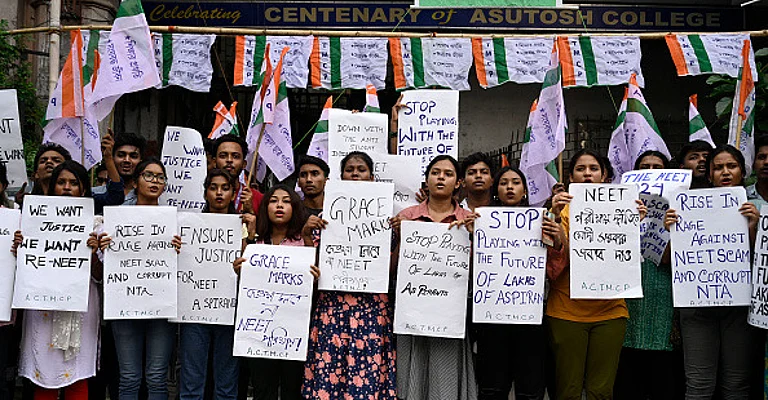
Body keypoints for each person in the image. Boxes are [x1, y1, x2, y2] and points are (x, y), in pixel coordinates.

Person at [664, 144, 763, 399]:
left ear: (743, 171)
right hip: (697, 308)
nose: (725, 172)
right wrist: (671, 229)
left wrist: (754, 227)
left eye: (731, 166)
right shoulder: (686, 207)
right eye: (718, 168)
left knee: (736, 385)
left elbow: (760, 260)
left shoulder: (755, 208)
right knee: (698, 385)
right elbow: (673, 257)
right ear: (709, 175)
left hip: (740, 308)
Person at [547, 149, 646, 400]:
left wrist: (637, 224)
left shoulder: (622, 208)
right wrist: (555, 216)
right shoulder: (561, 210)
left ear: (604, 176)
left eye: (594, 169)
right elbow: (556, 255)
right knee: (567, 390)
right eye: (581, 169)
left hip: (611, 311)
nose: (588, 174)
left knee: (601, 391)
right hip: (566, 311)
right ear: (571, 177)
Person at [302, 151, 397, 399]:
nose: (355, 174)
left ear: (372, 177)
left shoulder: (386, 218)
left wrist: (399, 235)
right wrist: (305, 235)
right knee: (329, 376)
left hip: (371, 311)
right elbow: (312, 267)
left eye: (361, 169)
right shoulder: (324, 219)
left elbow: (392, 267)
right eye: (350, 169)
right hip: (332, 310)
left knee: (365, 379)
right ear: (340, 175)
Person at [12, 160, 101, 400]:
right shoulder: (30, 222)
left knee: (77, 372)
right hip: (42, 306)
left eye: (74, 183)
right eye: (61, 182)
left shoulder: (97, 225)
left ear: (83, 189)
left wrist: (94, 254)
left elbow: (102, 277)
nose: (67, 187)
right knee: (44, 371)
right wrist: (18, 248)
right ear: (52, 187)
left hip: (81, 307)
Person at [475, 166, 567, 400]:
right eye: (504, 183)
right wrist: (470, 235)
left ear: (524, 190)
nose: (509, 187)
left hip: (530, 319)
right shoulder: (479, 220)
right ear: (496, 189)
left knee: (530, 387)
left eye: (515, 182)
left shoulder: (541, 221)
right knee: (492, 387)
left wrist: (556, 240)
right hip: (492, 318)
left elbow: (554, 270)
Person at [391, 154, 478, 400]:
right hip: (413, 311)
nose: (441, 178)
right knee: (413, 376)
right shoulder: (407, 217)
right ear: (426, 180)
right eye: (435, 172)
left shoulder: (468, 220)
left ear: (458, 183)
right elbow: (393, 268)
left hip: (450, 314)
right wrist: (398, 238)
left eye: (448, 174)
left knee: (445, 377)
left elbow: (479, 271)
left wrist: (475, 237)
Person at [99, 158, 182, 400]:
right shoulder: (115, 221)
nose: (155, 181)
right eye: (148, 175)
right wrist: (104, 249)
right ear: (135, 182)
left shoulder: (176, 222)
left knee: (157, 377)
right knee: (129, 377)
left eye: (160, 177)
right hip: (125, 306)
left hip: (161, 309)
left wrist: (180, 250)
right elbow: (101, 270)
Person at [232, 185, 319, 400]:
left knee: (292, 389)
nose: (279, 205)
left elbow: (314, 286)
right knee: (263, 390)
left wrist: (316, 275)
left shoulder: (304, 241)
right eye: (273, 201)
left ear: (295, 207)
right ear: (265, 207)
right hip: (258, 333)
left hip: (294, 333)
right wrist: (238, 269)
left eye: (286, 201)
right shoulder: (255, 241)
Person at [613, 150, 679, 399]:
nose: (650, 172)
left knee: (661, 378)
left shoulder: (679, 208)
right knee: (626, 377)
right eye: (644, 167)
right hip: (627, 299)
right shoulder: (618, 205)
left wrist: (670, 229)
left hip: (664, 298)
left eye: (657, 167)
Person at [178, 169, 241, 400]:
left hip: (229, 313)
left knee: (226, 384)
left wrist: (248, 238)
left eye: (225, 188)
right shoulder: (187, 226)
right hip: (194, 312)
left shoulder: (243, 226)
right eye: (213, 187)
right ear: (205, 192)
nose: (219, 193)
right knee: (191, 384)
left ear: (233, 193)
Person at [212, 135, 263, 213]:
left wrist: (250, 211)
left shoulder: (258, 198)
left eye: (235, 156)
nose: (229, 160)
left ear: (244, 164)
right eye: (223, 156)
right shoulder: (201, 196)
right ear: (214, 162)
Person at [92, 133, 146, 207]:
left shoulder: (148, 197)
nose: (127, 160)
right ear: (112, 158)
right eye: (121, 155)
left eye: (133, 156)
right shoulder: (94, 194)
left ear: (141, 161)